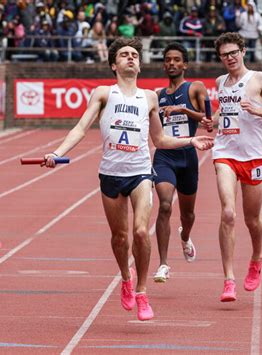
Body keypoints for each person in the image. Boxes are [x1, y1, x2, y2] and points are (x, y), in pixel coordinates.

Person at [42, 37, 214, 320]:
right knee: (120, 237)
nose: (131, 58)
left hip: (140, 172)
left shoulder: (149, 97)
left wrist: (191, 141)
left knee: (140, 232)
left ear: (140, 64)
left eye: (135, 54)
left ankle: (142, 291)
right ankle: (125, 277)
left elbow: (158, 138)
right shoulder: (103, 94)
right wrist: (56, 152)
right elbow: (80, 128)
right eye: (124, 54)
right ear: (114, 64)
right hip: (111, 174)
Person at [204, 32, 262, 302]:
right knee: (228, 213)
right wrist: (211, 123)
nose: (229, 58)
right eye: (224, 55)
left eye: (233, 53)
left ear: (243, 51)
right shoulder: (220, 82)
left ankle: (256, 258)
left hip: (254, 156)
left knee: (252, 220)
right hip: (225, 153)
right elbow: (222, 114)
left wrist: (258, 110)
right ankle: (229, 280)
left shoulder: (260, 78)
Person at [152, 42, 211, 283]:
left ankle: (185, 236)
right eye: (168, 59)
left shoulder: (195, 88)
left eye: (177, 59)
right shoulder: (157, 96)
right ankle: (163, 264)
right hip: (165, 156)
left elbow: (208, 118)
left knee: (188, 214)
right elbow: (153, 128)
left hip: (188, 156)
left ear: (184, 64)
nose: (172, 63)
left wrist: (184, 111)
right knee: (165, 205)